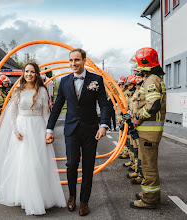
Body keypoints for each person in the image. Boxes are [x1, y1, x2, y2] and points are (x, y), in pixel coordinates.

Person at [0, 62, 66, 215]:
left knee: (37, 163)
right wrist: (15, 130)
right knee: (21, 162)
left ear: (37, 74)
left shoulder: (42, 91)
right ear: (23, 73)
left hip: (37, 128)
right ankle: (24, 196)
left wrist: (48, 131)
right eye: (27, 71)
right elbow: (13, 112)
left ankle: (39, 197)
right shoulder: (18, 90)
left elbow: (45, 113)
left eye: (32, 72)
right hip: (22, 128)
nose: (29, 74)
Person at [45, 48, 109, 216]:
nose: (73, 63)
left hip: (90, 130)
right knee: (71, 164)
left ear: (84, 60)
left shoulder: (97, 80)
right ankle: (72, 196)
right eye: (71, 60)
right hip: (71, 130)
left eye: (77, 60)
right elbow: (57, 107)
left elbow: (104, 104)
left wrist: (103, 125)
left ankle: (84, 201)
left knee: (88, 167)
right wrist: (49, 129)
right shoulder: (64, 81)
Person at [130, 47, 166, 209]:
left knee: (148, 167)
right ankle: (148, 194)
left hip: (149, 133)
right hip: (148, 132)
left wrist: (138, 117)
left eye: (137, 63)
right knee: (146, 164)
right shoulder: (153, 79)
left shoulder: (151, 80)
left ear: (144, 63)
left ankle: (150, 199)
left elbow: (154, 105)